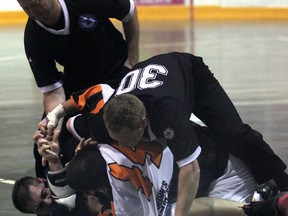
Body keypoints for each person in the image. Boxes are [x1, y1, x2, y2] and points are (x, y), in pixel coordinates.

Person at [41, 52, 288, 214]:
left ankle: (281, 179)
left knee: (234, 133)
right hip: (149, 85)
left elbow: (191, 170)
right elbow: (74, 120)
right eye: (117, 140)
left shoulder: (166, 115)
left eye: (129, 140)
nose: (125, 145)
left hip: (189, 74)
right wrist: (54, 119)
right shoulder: (104, 126)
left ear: (143, 124)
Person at [17, 0, 140, 178]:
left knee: (113, 126)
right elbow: (53, 91)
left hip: (116, 74)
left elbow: (129, 12)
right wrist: (54, 125)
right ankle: (55, 196)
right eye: (25, 8)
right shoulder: (33, 35)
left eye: (35, 4)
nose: (33, 12)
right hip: (78, 86)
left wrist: (133, 60)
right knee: (43, 146)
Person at [12, 130, 111, 216]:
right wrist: (100, 210)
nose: (48, 201)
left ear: (42, 180)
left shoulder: (69, 154)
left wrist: (84, 158)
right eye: (41, 207)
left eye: (44, 193)